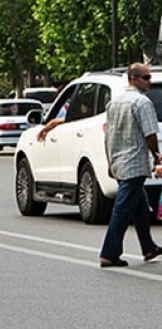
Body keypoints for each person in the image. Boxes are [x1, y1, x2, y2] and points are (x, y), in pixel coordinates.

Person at [99, 62, 162, 267]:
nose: (149, 82)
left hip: (118, 161)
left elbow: (108, 136)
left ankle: (148, 247)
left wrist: (110, 161)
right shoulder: (141, 102)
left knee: (140, 206)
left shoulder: (114, 102)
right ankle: (109, 253)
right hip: (134, 162)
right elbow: (150, 133)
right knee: (123, 209)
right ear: (133, 78)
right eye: (145, 78)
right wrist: (156, 154)